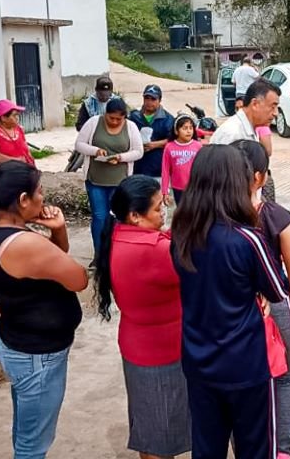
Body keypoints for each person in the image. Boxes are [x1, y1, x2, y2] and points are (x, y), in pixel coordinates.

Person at [170, 145, 289, 459]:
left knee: (207, 447)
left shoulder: (180, 235)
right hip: (246, 365)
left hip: (198, 361)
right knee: (255, 448)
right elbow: (279, 290)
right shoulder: (248, 239)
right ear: (237, 183)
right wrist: (259, 290)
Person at [0, 161, 88, 458]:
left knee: (26, 433)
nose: (43, 197)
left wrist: (58, 230)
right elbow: (79, 279)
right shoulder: (25, 244)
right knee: (33, 445)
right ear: (22, 199)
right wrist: (51, 237)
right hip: (38, 355)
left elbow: (55, 259)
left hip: (20, 344)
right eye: (39, 191)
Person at [94, 175, 191, 459]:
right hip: (161, 352)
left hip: (138, 344)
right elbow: (197, 268)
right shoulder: (154, 251)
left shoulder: (118, 234)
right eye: (158, 208)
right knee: (160, 435)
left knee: (149, 429)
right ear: (135, 215)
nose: (164, 212)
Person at [231, 140, 290, 459]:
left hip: (233, 305)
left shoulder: (218, 214)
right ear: (260, 177)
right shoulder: (276, 216)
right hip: (274, 300)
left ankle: (242, 447)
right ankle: (282, 449)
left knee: (240, 381)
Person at [75, 98, 144, 253]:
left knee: (119, 217)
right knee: (99, 216)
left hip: (120, 182)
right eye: (111, 118)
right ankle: (100, 253)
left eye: (118, 119)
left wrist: (121, 157)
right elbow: (79, 144)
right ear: (105, 113)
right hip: (95, 180)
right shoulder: (93, 123)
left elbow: (138, 152)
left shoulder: (131, 127)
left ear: (124, 117)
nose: (114, 122)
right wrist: (95, 151)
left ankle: (117, 252)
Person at [210, 78, 281, 146]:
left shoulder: (249, 128)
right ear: (255, 104)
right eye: (272, 107)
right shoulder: (233, 134)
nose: (276, 113)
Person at [128, 84, 175, 180]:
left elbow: (174, 140)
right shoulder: (134, 116)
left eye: (153, 99)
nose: (149, 102)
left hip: (158, 170)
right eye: (147, 98)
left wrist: (155, 145)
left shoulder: (168, 119)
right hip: (136, 169)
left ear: (159, 100)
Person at [0, 99, 36, 176]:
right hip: (0, 176)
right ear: (3, 118)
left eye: (17, 115)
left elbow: (26, 151)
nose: (17, 117)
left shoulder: (18, 129)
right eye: (14, 115)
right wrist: (18, 161)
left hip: (22, 174)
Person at [161, 115, 203, 206]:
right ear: (176, 131)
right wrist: (165, 191)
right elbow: (165, 170)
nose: (188, 131)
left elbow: (203, 168)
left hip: (196, 188)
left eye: (191, 128)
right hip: (178, 189)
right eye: (185, 128)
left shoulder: (198, 146)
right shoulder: (169, 147)